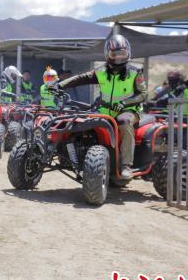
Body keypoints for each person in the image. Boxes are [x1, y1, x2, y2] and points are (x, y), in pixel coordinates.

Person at [53, 34, 147, 179]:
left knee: (124, 121)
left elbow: (143, 94)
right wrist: (60, 85)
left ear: (128, 53)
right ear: (108, 55)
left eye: (122, 54)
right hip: (104, 111)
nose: (118, 58)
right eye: (114, 54)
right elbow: (81, 78)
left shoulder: (135, 71)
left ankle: (126, 165)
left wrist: (124, 104)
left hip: (129, 111)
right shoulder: (101, 71)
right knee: (84, 123)